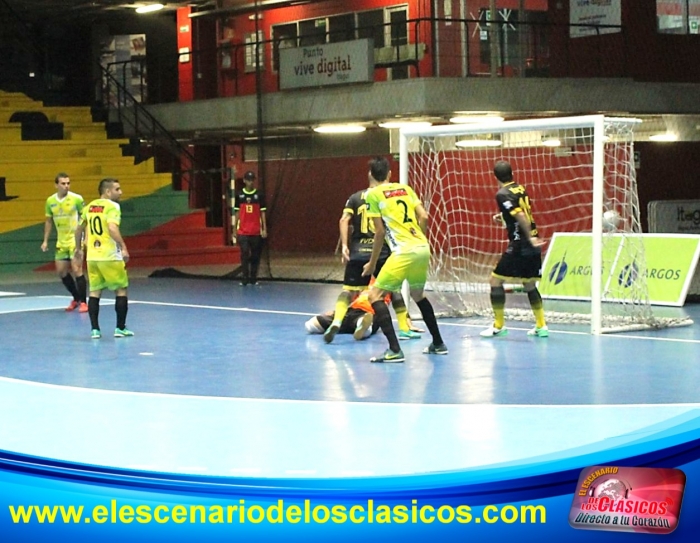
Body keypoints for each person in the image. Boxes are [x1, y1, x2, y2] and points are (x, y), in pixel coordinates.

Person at [362, 157, 448, 363]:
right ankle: (438, 343)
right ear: (390, 174)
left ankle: (394, 350)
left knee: (374, 295)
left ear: (370, 175)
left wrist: (372, 263)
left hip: (403, 251)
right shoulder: (405, 189)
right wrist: (420, 239)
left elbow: (380, 232)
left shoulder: (372, 195)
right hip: (422, 246)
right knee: (418, 294)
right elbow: (425, 217)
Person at [324, 163, 420, 344]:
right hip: (381, 251)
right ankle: (404, 329)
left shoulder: (355, 197)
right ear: (389, 174)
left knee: (348, 291)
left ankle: (336, 321)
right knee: (393, 289)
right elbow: (384, 228)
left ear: (369, 174)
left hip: (358, 251)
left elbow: (344, 219)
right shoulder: (386, 197)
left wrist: (345, 245)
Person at [480, 160, 548, 338]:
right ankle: (541, 326)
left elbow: (520, 214)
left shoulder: (502, 193)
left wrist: (531, 238)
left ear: (495, 176)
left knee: (495, 282)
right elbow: (517, 213)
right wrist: (503, 218)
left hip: (520, 245)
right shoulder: (520, 188)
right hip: (530, 245)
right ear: (512, 173)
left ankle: (499, 326)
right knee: (529, 284)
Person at [73, 178, 132, 339]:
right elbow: (112, 227)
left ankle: (95, 330)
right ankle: (120, 328)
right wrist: (123, 246)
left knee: (95, 292)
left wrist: (78, 248)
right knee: (121, 290)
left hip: (92, 256)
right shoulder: (113, 206)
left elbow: (78, 230)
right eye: (117, 189)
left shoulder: (89, 207)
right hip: (110, 256)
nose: (121, 192)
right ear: (107, 191)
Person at [41, 172, 88, 312]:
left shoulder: (77, 199)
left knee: (77, 269)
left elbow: (86, 218)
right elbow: (48, 221)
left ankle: (84, 302)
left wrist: (85, 238)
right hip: (61, 242)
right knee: (62, 272)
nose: (66, 186)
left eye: (68, 183)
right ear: (56, 185)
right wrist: (45, 241)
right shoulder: (50, 201)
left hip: (75, 241)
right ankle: (76, 298)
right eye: (63, 183)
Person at [232, 170, 267, 286]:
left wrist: (264, 229)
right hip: (243, 231)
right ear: (244, 181)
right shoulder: (239, 195)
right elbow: (237, 213)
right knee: (245, 253)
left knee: (255, 255)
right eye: (248, 180)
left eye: (252, 180)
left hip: (256, 231)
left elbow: (262, 213)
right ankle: (244, 278)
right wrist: (234, 229)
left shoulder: (259, 195)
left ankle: (253, 278)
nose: (250, 182)